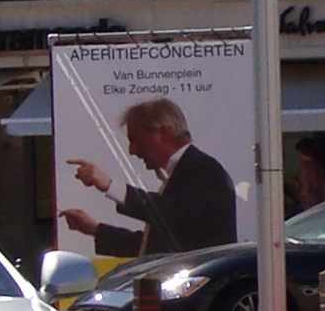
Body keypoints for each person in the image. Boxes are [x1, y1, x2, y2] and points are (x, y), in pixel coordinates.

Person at [59, 95, 238, 256]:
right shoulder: (186, 170)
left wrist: (109, 185)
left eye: (136, 140)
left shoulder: (204, 170)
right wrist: (94, 229)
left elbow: (172, 215)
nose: (132, 150)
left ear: (164, 132)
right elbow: (155, 245)